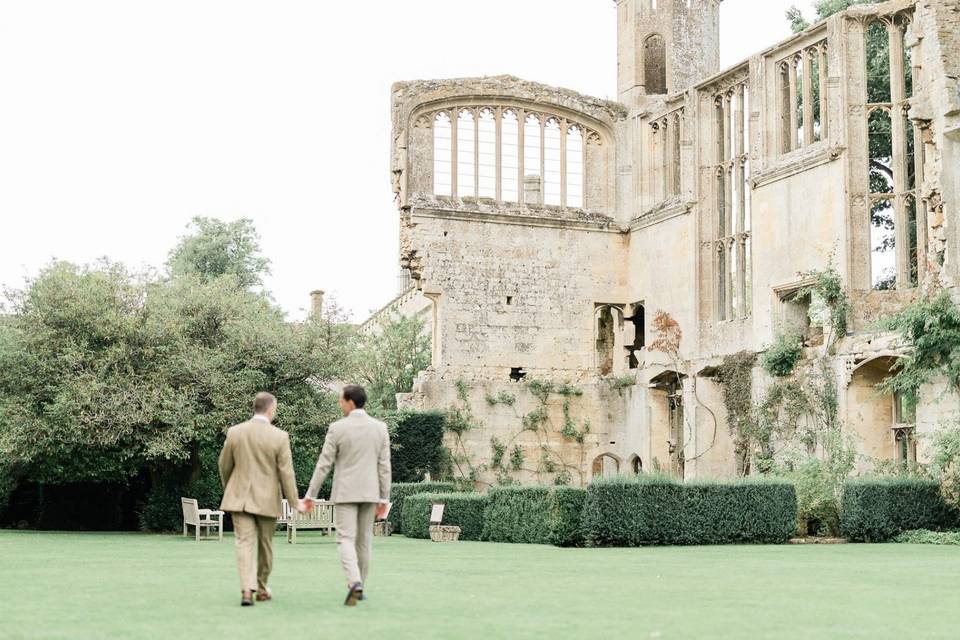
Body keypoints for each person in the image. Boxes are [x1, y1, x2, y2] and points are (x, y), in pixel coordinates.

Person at [303, 384, 391, 606]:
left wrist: (310, 495)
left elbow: (324, 465)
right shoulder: (380, 428)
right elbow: (384, 467)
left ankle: (354, 582)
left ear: (351, 402)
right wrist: (384, 498)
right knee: (364, 542)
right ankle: (360, 583)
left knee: (345, 539)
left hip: (345, 493)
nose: (339, 404)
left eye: (341, 401)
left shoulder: (337, 428)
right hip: (371, 493)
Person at [219, 392, 303, 607]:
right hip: (267, 500)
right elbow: (287, 474)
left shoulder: (235, 432)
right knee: (265, 546)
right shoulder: (279, 437)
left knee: (243, 543)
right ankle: (261, 587)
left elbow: (224, 465)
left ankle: (247, 590)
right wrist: (295, 502)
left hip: (240, 499)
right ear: (270, 409)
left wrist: (231, 488)